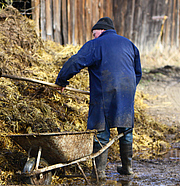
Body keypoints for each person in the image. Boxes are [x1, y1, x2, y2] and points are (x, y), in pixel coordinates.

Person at [55, 17, 142, 179]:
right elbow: (138, 72)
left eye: (94, 33)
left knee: (101, 131)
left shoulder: (95, 44)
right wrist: (128, 89)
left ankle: (99, 172)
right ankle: (127, 168)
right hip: (127, 92)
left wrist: (61, 80)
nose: (93, 36)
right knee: (126, 130)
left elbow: (76, 61)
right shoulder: (129, 44)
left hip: (104, 93)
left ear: (101, 30)